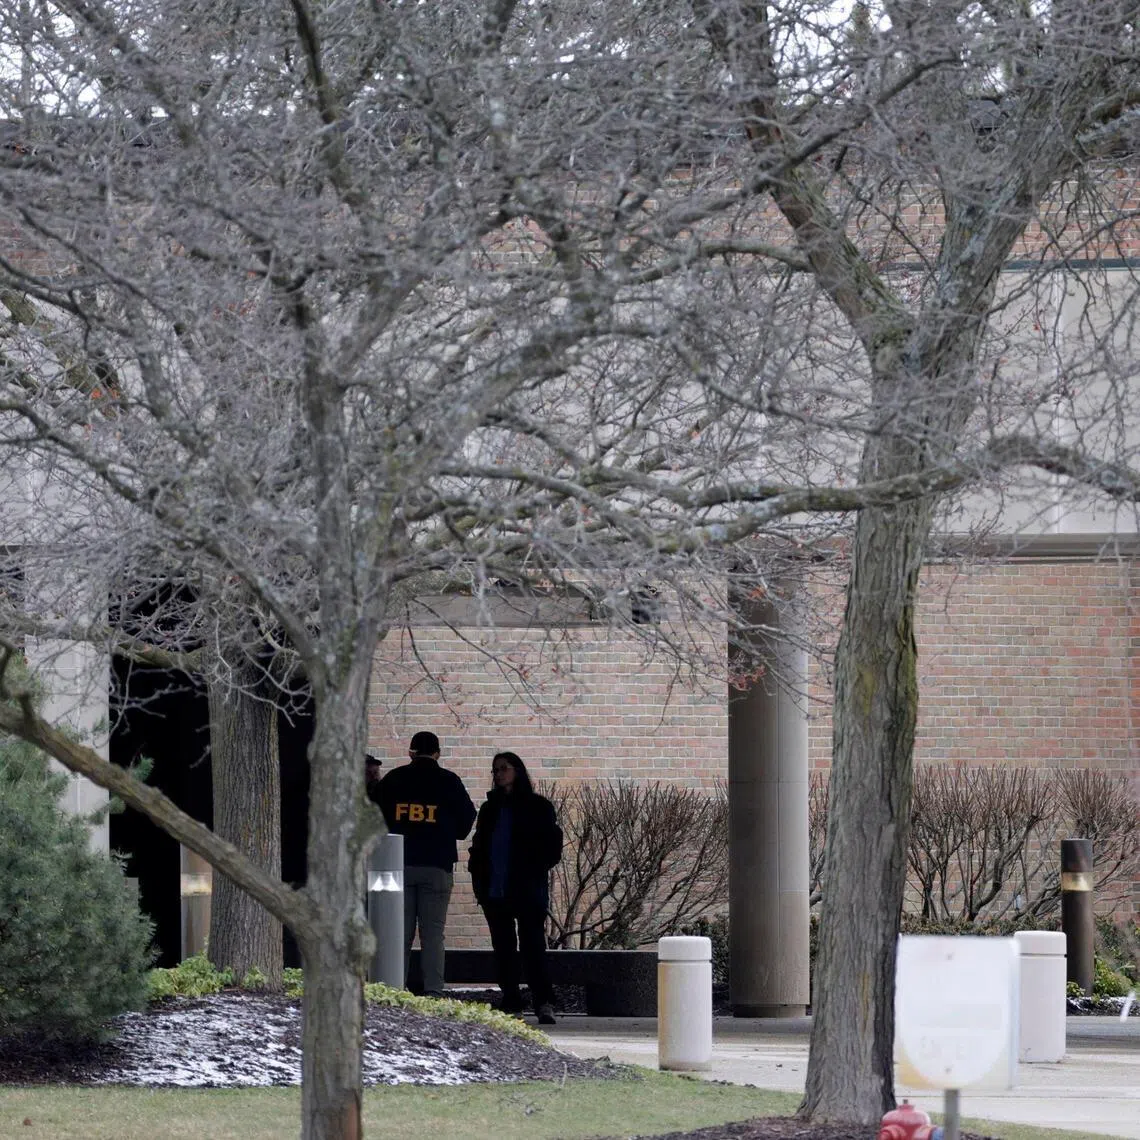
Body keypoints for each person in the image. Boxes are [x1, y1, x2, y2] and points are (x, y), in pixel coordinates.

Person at [373, 731, 476, 997]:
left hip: (398, 865)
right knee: (433, 935)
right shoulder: (449, 781)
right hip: (437, 865)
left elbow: (373, 817)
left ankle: (393, 988)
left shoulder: (394, 779)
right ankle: (433, 990)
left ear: (410, 752)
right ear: (438, 754)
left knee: (398, 932)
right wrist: (444, 832)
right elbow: (466, 820)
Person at [468, 750, 563, 1025]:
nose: (498, 774)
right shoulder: (490, 809)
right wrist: (479, 878)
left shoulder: (538, 807)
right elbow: (481, 846)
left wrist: (534, 868)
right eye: (495, 770)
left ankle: (543, 1001)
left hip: (527, 890)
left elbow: (551, 847)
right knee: (504, 948)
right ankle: (511, 1000)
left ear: (517, 771)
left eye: (503, 769)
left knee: (533, 946)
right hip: (495, 890)